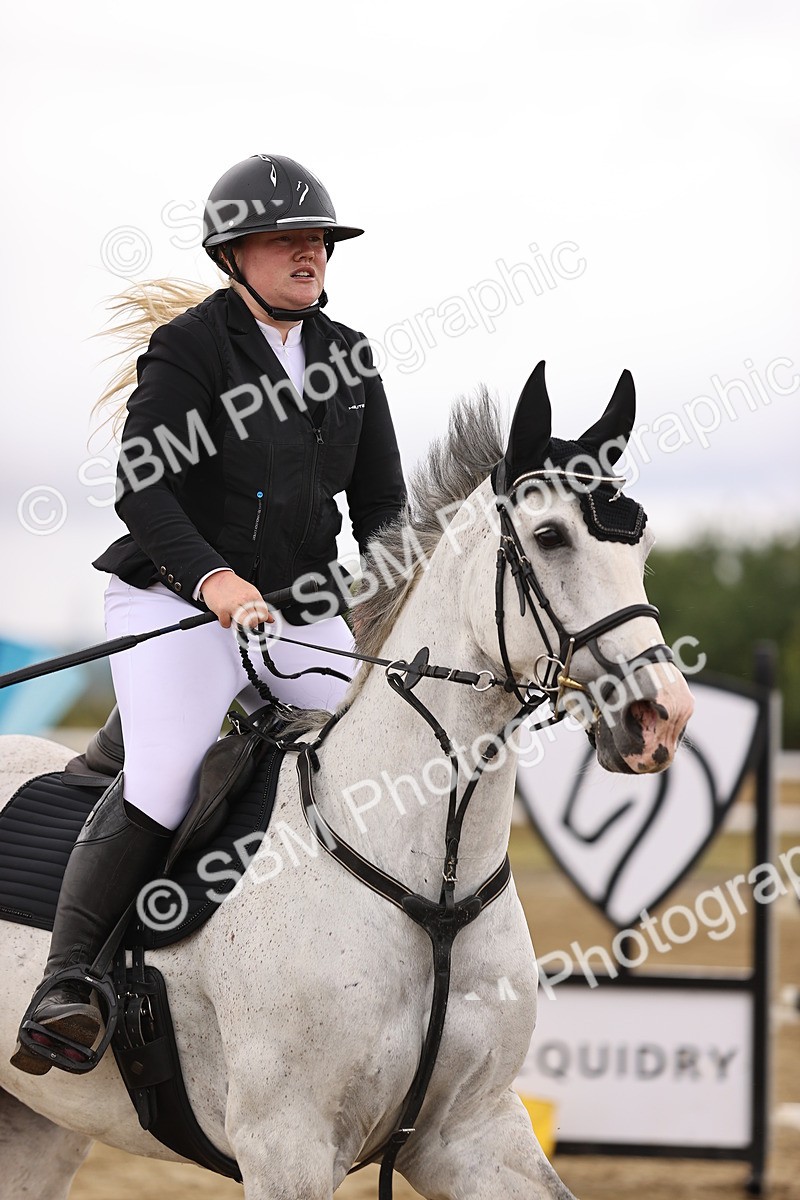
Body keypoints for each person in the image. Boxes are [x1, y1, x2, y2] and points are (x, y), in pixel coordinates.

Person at [11, 153, 407, 1074]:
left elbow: (384, 504)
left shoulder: (348, 355)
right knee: (168, 772)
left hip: (301, 606)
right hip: (175, 598)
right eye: (288, 240)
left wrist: (393, 592)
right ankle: (67, 980)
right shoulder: (191, 348)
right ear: (235, 254)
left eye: (319, 240)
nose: (311, 253)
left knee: (380, 744)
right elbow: (141, 491)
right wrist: (214, 582)